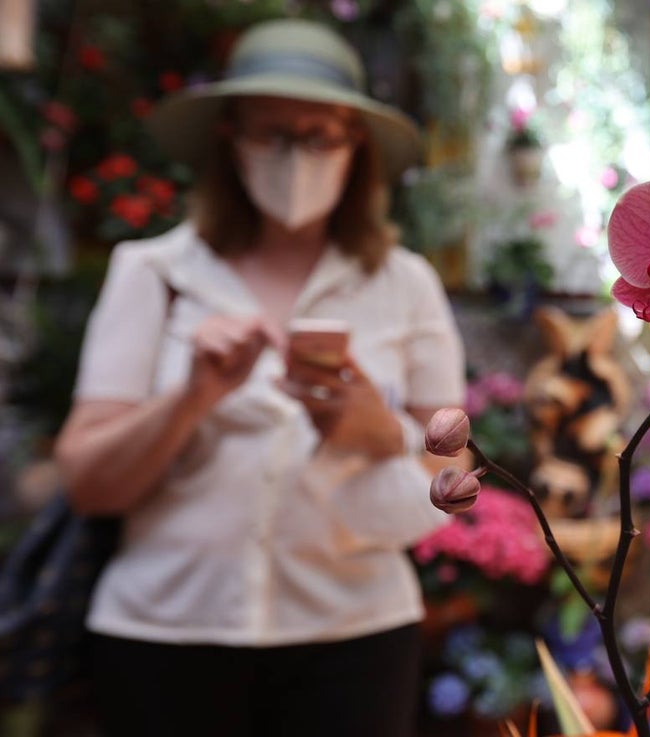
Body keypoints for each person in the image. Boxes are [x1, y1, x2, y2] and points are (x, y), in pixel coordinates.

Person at [52, 18, 465, 737]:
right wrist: (192, 397)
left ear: (355, 145)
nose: (295, 156)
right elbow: (88, 482)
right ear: (230, 137)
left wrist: (373, 425)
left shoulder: (404, 284)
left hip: (355, 637)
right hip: (166, 635)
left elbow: (455, 471)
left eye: (319, 135)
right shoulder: (155, 273)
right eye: (271, 133)